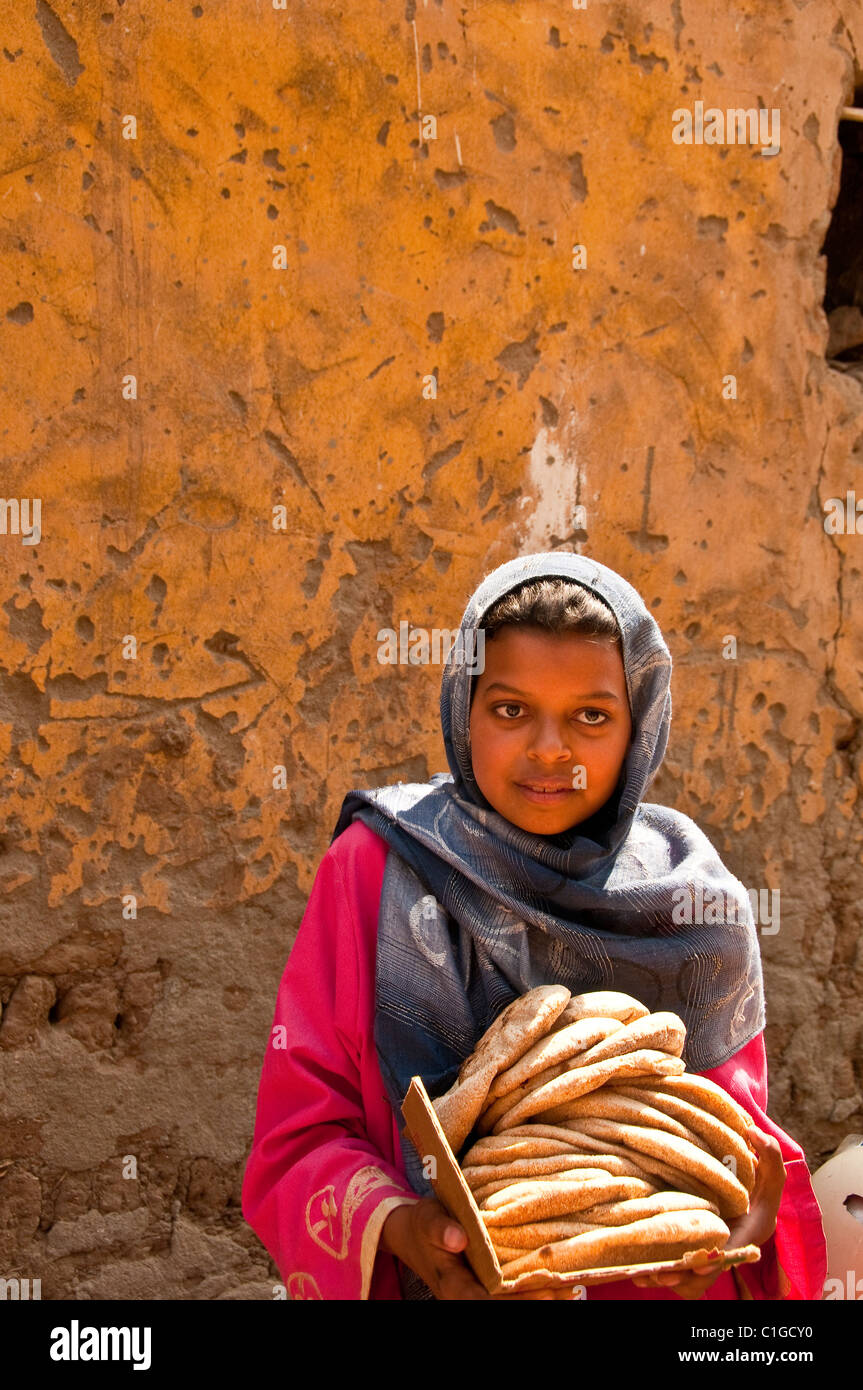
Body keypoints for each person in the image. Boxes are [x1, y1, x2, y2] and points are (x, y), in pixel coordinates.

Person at [241, 552, 827, 1301]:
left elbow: (725, 1139)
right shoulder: (377, 871)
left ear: (639, 723)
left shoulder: (690, 900)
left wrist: (733, 1226)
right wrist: (401, 1226)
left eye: (590, 715)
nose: (550, 750)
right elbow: (300, 1136)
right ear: (464, 709)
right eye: (511, 710)